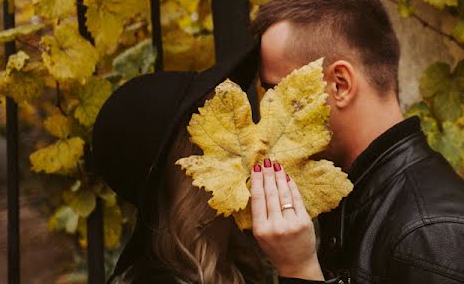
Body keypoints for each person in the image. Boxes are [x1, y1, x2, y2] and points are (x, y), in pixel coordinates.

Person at [252, 0, 464, 284]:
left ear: (340, 85)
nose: (269, 111)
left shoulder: (434, 237)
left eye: (276, 91)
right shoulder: (358, 197)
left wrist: (300, 271)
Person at [91, 45, 327, 283]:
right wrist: (299, 270)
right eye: (220, 126)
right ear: (188, 169)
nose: (249, 137)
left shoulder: (239, 260)